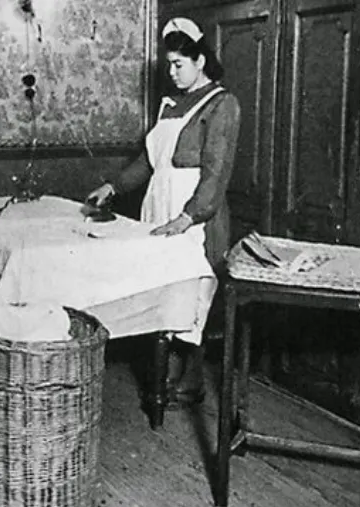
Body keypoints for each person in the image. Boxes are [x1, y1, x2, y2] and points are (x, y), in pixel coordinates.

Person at [86, 17, 242, 407]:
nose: (171, 72)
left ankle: (190, 380)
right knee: (160, 290)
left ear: (200, 61)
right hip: (158, 204)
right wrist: (113, 186)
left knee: (191, 292)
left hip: (195, 214)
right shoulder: (170, 105)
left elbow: (217, 173)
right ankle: (164, 373)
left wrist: (187, 217)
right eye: (169, 64)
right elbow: (148, 161)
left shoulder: (221, 104)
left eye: (178, 64)